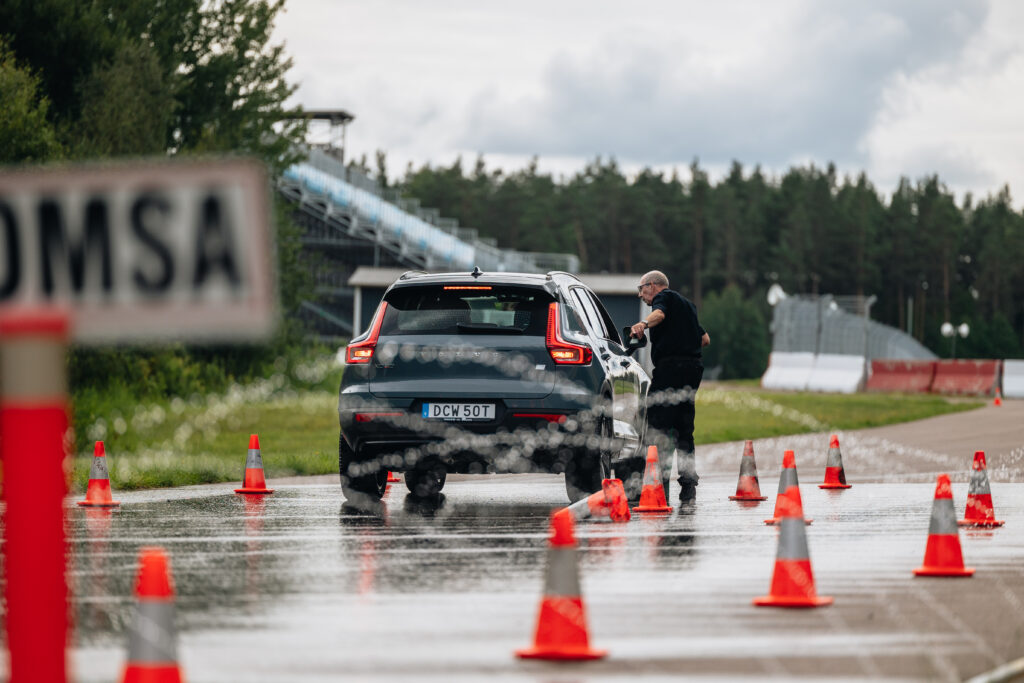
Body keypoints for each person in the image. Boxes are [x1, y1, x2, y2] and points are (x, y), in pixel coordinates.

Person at [630, 270, 710, 503]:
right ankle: (688, 485)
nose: (640, 295)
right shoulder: (688, 305)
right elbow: (705, 339)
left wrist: (643, 324)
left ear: (652, 286)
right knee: (684, 428)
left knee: (656, 424)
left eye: (641, 289)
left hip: (670, 369)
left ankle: (656, 485)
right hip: (693, 370)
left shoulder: (663, 299)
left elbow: (660, 314)